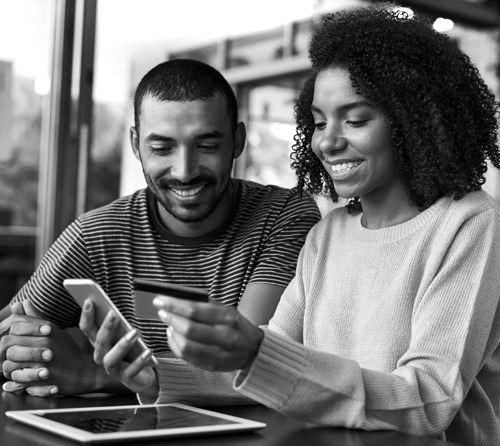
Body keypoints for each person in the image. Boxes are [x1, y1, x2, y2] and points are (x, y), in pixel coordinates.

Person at [81, 3, 500, 445]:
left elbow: (429, 399)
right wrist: (154, 375)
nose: (328, 141)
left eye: (356, 119)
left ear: (412, 122)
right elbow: (265, 366)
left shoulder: (468, 223)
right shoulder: (329, 233)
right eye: (319, 122)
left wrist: (258, 353)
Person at [0, 59, 321, 397]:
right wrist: (28, 351)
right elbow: (12, 329)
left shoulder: (284, 216)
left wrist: (92, 374)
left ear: (237, 142)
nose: (184, 171)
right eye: (162, 148)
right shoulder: (96, 235)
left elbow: (248, 367)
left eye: (207, 145)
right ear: (136, 145)